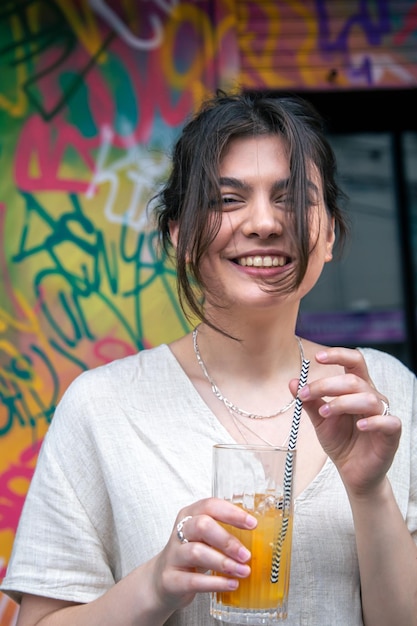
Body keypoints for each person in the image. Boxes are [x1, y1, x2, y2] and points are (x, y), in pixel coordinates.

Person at [1, 90, 417, 626]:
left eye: (291, 199)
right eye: (226, 199)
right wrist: (154, 585)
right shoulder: (102, 406)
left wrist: (369, 490)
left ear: (330, 231)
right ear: (178, 234)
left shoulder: (386, 393)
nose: (264, 223)